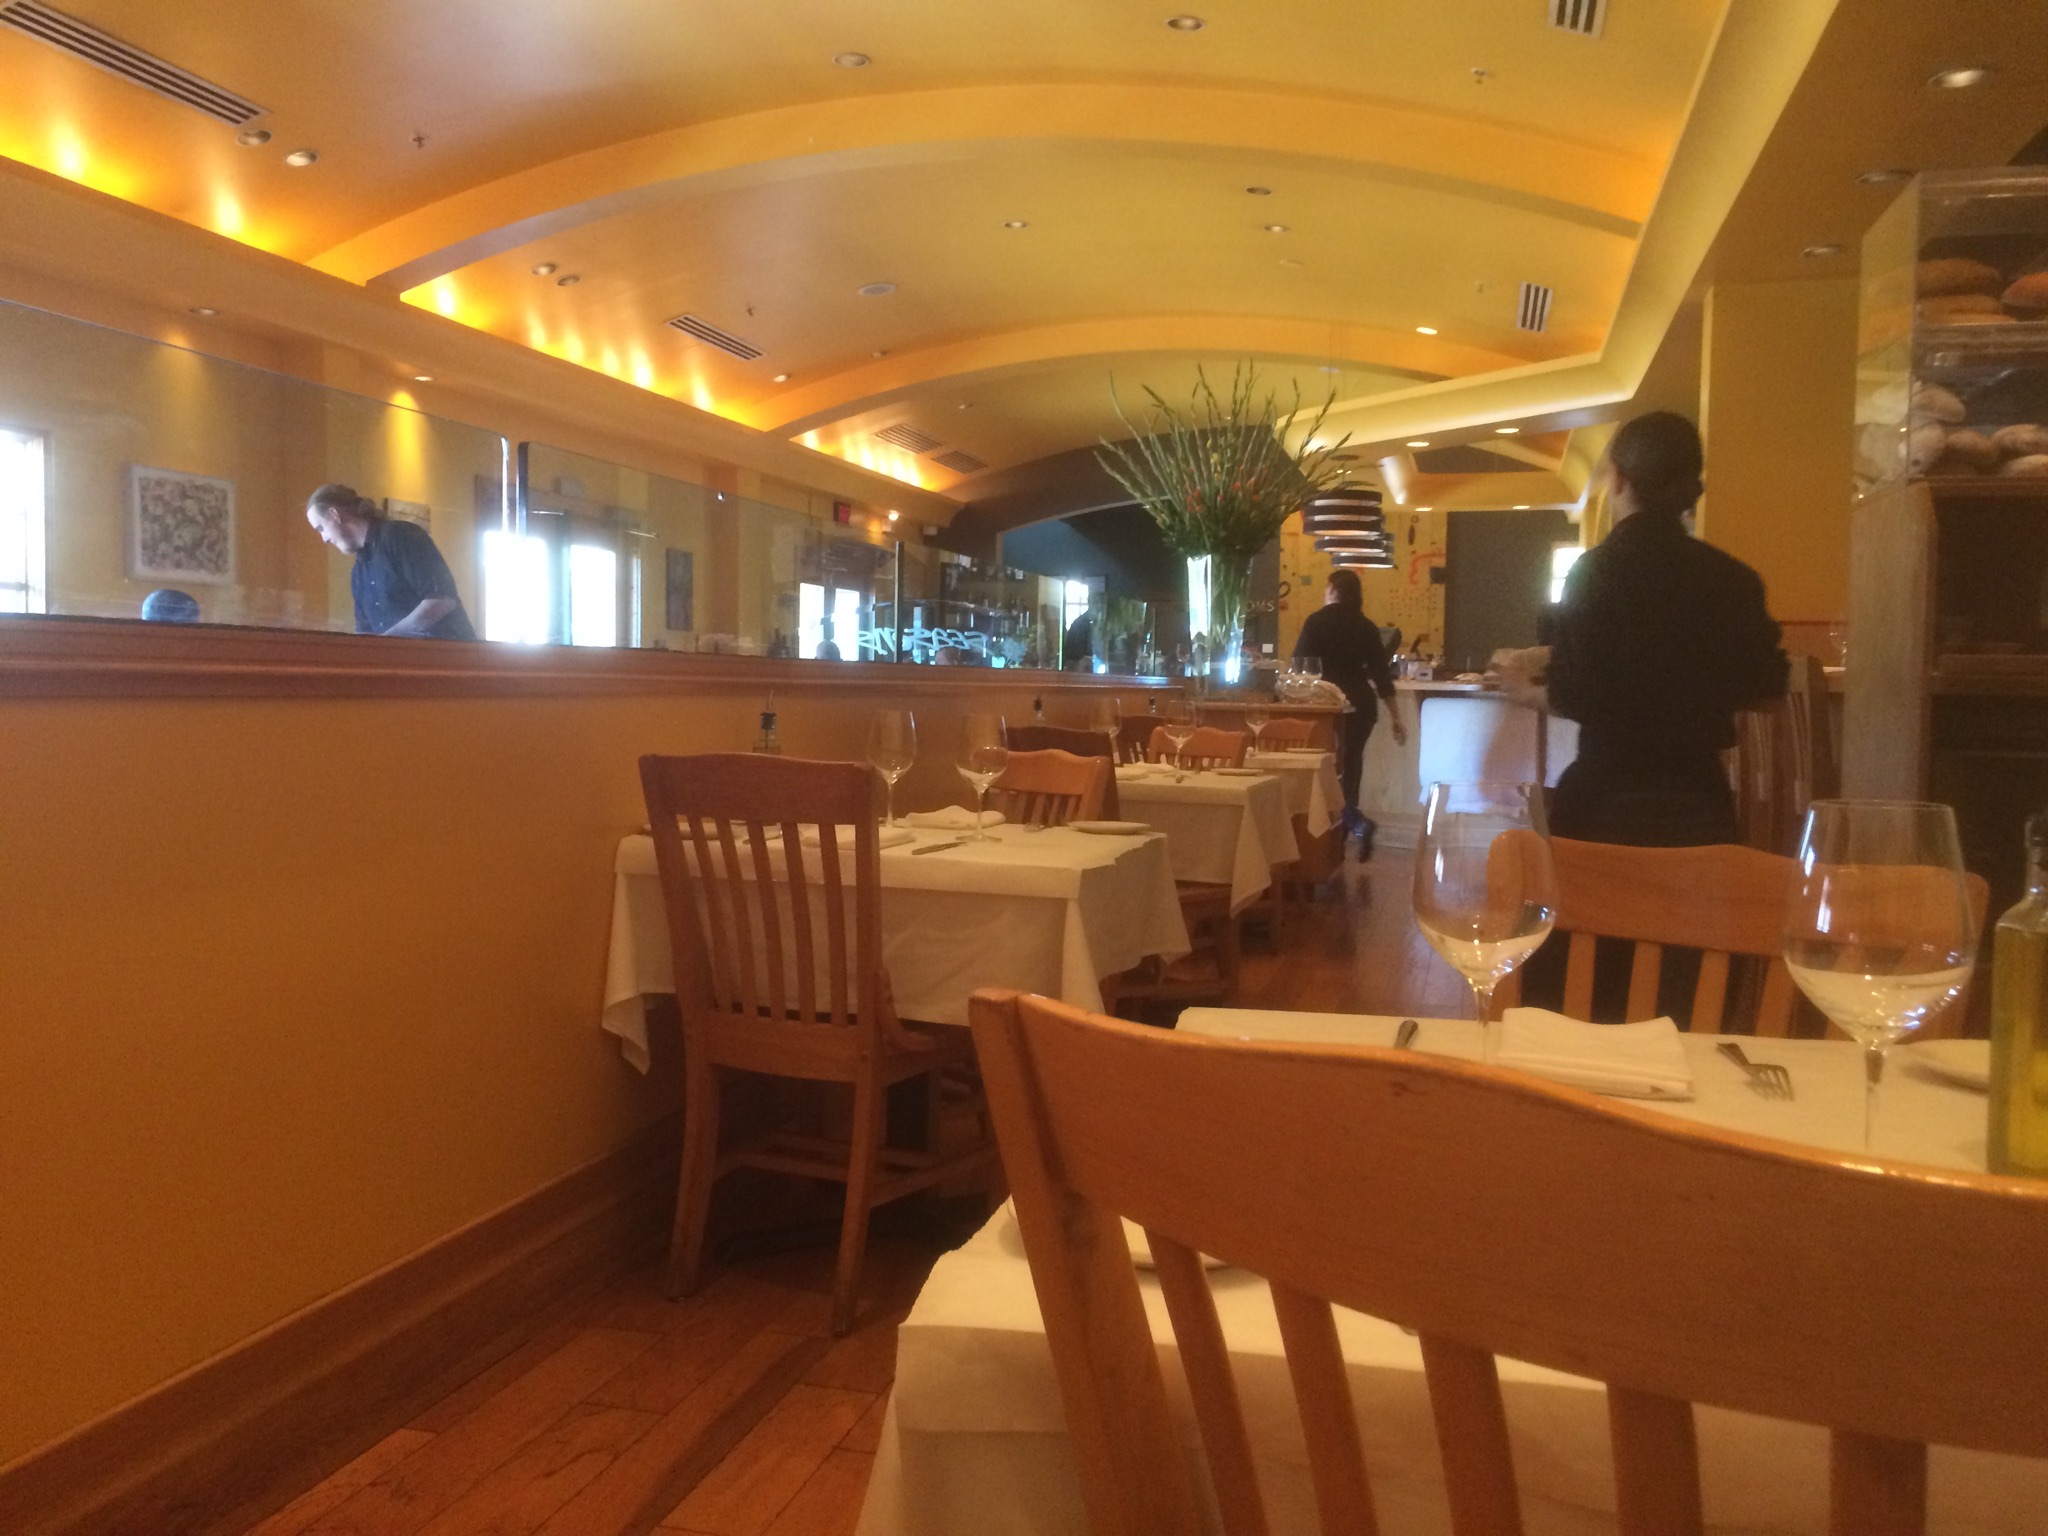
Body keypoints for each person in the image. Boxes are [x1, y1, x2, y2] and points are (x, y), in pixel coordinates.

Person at [1492, 410, 1787, 1021]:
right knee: (1690, 993)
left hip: (1602, 806)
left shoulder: (1595, 572)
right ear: (1691, 486)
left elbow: (1579, 693)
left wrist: (1526, 692)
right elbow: (1766, 685)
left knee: (1576, 989)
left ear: (1619, 479)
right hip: (1699, 809)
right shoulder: (1736, 581)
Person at [1292, 567, 1407, 853]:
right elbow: (1382, 677)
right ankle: (1344, 836)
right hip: (1361, 705)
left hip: (1326, 705)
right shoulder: (1366, 626)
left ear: (1333, 590)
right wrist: (1396, 718)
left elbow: (1299, 667)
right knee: (1351, 767)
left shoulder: (1316, 622)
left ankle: (1345, 830)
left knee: (1328, 771)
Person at [304, 485, 476, 640]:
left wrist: (385, 643)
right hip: (403, 662)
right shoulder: (358, 572)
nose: (324, 539)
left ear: (334, 515)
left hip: (447, 659)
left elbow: (442, 601)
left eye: (321, 528)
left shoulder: (400, 536)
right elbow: (365, 634)